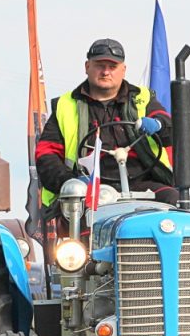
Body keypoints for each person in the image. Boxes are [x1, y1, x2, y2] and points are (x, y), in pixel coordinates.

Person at [35, 38, 177, 213]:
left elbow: (169, 129)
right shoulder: (66, 105)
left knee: (171, 199)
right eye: (100, 65)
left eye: (112, 67)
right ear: (87, 66)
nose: (106, 72)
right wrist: (70, 183)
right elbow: (46, 154)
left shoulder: (143, 99)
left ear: (123, 70)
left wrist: (158, 124)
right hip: (90, 188)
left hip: (142, 182)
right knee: (78, 214)